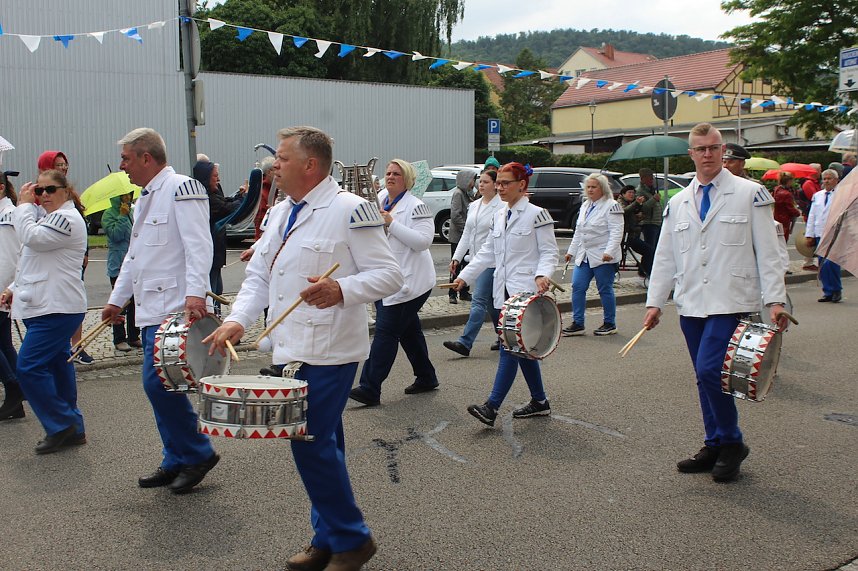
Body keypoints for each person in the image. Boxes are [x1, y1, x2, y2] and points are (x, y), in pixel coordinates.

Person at [203, 126, 402, 571]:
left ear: (310, 165)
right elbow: (260, 278)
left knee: (308, 442)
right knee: (324, 443)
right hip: (289, 348)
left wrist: (342, 288)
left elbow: (390, 276)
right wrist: (237, 320)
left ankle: (353, 539)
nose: (274, 164)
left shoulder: (352, 209)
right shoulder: (278, 213)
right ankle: (327, 537)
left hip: (331, 349)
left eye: (281, 157)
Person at [643, 123, 788, 483]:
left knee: (711, 371)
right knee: (702, 376)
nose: (707, 154)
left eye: (713, 148)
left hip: (731, 298)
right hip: (691, 300)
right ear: (690, 154)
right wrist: (654, 302)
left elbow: (769, 253)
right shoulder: (676, 201)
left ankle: (733, 442)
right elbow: (665, 256)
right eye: (700, 149)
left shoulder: (750, 193)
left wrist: (775, 300)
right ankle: (714, 442)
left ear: (723, 151)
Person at [101, 128, 219, 493]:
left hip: (176, 305)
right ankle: (175, 458)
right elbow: (136, 257)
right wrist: (115, 300)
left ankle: (198, 451)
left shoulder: (182, 187)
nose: (123, 166)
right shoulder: (145, 197)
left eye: (126, 159)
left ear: (146, 157)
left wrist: (197, 294)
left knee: (158, 385)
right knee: (162, 387)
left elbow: (200, 246)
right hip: (151, 308)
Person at [454, 162, 559, 426]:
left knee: (509, 347)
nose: (499, 187)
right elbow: (487, 252)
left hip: (526, 297)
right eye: (498, 182)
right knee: (520, 349)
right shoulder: (500, 215)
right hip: (505, 296)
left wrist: (542, 274)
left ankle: (491, 407)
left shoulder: (537, 214)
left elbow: (549, 251)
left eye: (505, 183)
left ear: (521, 185)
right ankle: (540, 401)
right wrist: (465, 277)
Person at [1, 169, 88, 453]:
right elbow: (32, 260)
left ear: (65, 190)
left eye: (50, 190)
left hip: (57, 308)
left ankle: (62, 424)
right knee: (57, 366)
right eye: (39, 191)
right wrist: (14, 288)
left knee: (28, 367)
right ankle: (72, 427)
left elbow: (30, 238)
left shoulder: (66, 217)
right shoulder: (49, 218)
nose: (44, 196)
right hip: (45, 305)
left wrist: (24, 205)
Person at [349, 159, 439, 406]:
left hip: (410, 282)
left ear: (407, 179)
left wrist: (392, 223)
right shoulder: (378, 199)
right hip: (384, 278)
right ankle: (426, 376)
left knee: (386, 332)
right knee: (409, 332)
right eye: (388, 173)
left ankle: (370, 386)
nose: (390, 177)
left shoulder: (417, 206)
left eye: (396, 174)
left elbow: (423, 242)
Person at [37, 151, 92, 365]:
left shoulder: (67, 194)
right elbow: (33, 234)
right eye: (58, 164)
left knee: (73, 299)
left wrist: (85, 251)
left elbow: (78, 223)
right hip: (49, 263)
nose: (63, 168)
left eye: (65, 164)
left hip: (70, 255)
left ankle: (76, 344)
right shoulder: (39, 198)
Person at [443, 169, 503, 356]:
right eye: (480, 181)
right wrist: (457, 258)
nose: (481, 184)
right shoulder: (474, 205)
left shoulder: (501, 207)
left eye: (486, 181)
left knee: (478, 301)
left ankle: (465, 343)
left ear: (495, 184)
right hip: (475, 259)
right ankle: (504, 337)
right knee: (493, 305)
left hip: (491, 261)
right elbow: (467, 234)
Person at [562, 174, 624, 336]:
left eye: (593, 187)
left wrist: (609, 252)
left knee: (604, 289)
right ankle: (578, 323)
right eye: (588, 187)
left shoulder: (612, 205)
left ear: (602, 188)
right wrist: (571, 251)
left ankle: (610, 323)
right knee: (577, 286)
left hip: (603, 256)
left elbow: (617, 232)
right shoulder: (585, 206)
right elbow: (579, 232)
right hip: (585, 255)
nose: (590, 190)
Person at [193, 160, 244, 317]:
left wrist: (239, 196)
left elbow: (226, 202)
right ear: (207, 178)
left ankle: (216, 318)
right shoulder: (206, 198)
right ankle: (212, 321)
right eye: (215, 176)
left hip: (216, 251)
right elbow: (227, 208)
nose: (219, 179)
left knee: (217, 289)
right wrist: (245, 198)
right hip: (210, 250)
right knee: (212, 290)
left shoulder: (212, 193)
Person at [101, 192, 141, 352]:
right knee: (120, 304)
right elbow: (115, 235)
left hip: (134, 262)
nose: (127, 198)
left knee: (135, 303)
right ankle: (119, 338)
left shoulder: (132, 211)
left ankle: (134, 336)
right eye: (124, 196)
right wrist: (122, 217)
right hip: (117, 263)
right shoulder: (109, 214)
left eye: (129, 195)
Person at [0, 171, 23, 420]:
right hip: (5, 290)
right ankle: (20, 388)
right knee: (5, 344)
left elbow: (7, 259)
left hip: (2, 290)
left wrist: (7, 290)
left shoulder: (7, 214)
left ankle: (14, 388)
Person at [805, 169, 843, 303]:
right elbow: (812, 215)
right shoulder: (818, 195)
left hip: (835, 233)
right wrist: (809, 233)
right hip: (820, 233)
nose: (826, 181)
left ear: (836, 180)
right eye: (825, 179)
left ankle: (836, 289)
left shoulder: (842, 195)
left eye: (829, 178)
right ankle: (827, 291)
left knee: (831, 263)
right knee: (821, 264)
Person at [447, 168, 477, 304]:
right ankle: (452, 293)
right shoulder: (458, 194)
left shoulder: (468, 193)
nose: (474, 183)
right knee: (456, 266)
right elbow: (455, 215)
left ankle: (464, 291)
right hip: (458, 236)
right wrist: (467, 229)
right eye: (472, 180)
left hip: (467, 236)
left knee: (467, 265)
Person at [799, 165, 822, 270]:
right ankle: (808, 262)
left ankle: (809, 261)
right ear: (815, 171)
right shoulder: (809, 183)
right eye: (820, 169)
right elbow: (814, 197)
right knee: (810, 237)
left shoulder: (813, 182)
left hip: (812, 214)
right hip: (810, 214)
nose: (821, 172)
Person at [636, 168, 662, 254]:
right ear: (643, 178)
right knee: (650, 250)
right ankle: (646, 267)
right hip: (649, 223)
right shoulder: (640, 191)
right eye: (649, 177)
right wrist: (654, 199)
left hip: (656, 222)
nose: (652, 179)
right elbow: (642, 208)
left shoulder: (651, 190)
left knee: (655, 248)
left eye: (652, 177)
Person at [771, 172, 801, 241]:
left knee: (777, 238)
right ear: (789, 181)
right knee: (783, 239)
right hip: (785, 219)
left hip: (776, 216)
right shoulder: (786, 194)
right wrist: (797, 212)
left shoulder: (776, 190)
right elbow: (790, 208)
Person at [253, 156, 275, 239]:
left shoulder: (277, 189)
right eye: (276, 169)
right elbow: (260, 220)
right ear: (269, 172)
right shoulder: (261, 192)